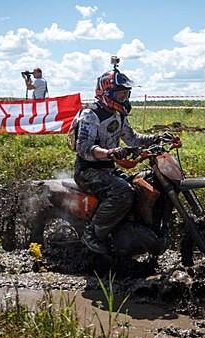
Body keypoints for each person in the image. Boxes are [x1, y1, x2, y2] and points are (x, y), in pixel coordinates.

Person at [73, 68, 172, 254]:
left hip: (108, 170)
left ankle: (129, 231)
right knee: (123, 192)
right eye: (120, 94)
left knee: (145, 181)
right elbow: (84, 148)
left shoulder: (117, 114)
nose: (125, 98)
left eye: (126, 94)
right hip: (87, 171)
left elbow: (133, 139)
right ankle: (92, 233)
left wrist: (157, 138)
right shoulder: (90, 115)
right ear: (106, 94)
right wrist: (110, 152)